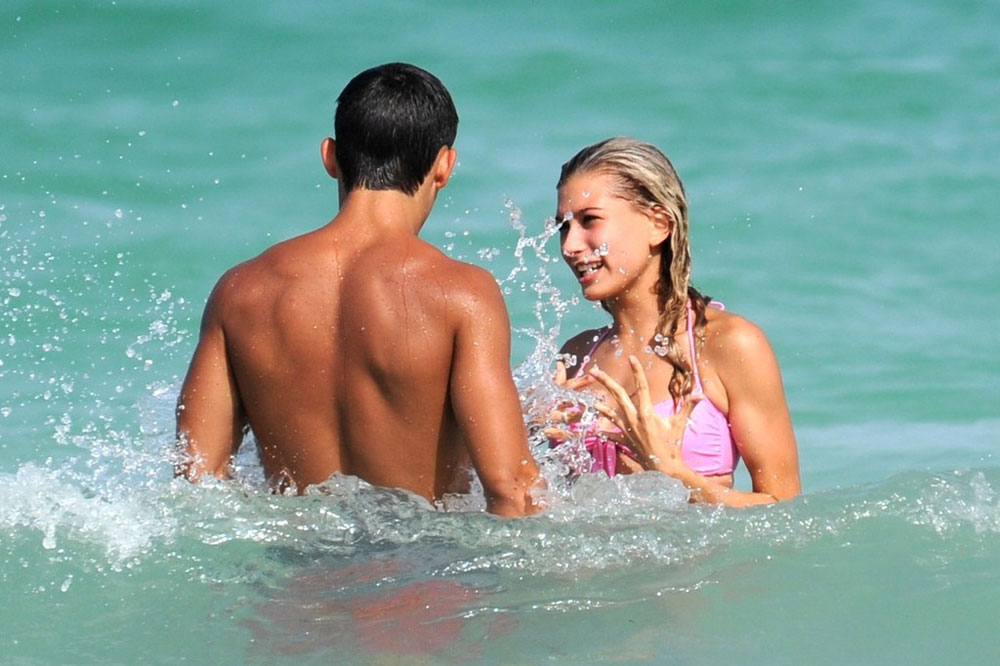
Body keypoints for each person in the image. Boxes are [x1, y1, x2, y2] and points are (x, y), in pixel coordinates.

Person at [174, 63, 542, 517]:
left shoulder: (241, 291)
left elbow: (196, 480)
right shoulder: (463, 294)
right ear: (446, 166)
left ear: (330, 157)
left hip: (296, 560)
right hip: (425, 560)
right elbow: (512, 488)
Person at [548, 137, 800, 507]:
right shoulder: (578, 355)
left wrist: (672, 473)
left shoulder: (729, 343)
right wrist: (527, 427)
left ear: (658, 224)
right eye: (563, 227)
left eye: (590, 220)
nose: (569, 246)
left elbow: (784, 508)